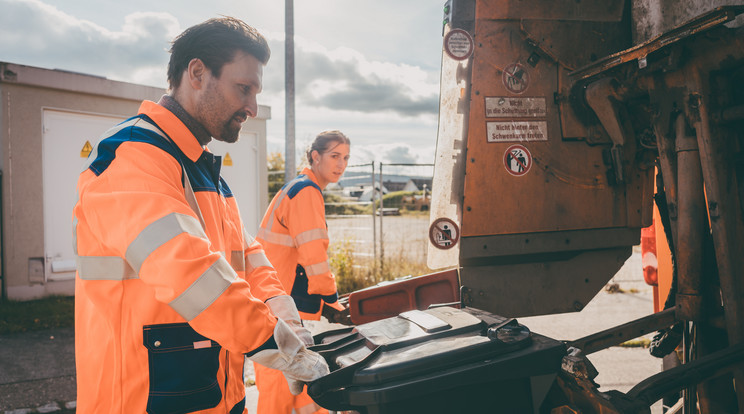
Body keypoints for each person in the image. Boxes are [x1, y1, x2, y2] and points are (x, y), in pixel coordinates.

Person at [73, 17, 328, 414]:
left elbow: (247, 256)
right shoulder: (132, 158)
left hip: (212, 395)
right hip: (141, 398)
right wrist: (273, 342)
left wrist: (282, 310)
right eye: (243, 88)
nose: (252, 107)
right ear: (196, 73)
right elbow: (190, 271)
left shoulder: (199, 168)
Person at [255, 130, 351, 414]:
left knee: (287, 376)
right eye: (334, 156)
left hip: (274, 295)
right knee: (289, 378)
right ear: (315, 156)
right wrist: (332, 300)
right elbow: (314, 255)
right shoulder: (307, 192)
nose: (341, 164)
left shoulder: (296, 187)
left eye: (345, 157)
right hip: (287, 301)